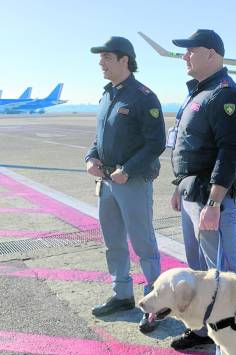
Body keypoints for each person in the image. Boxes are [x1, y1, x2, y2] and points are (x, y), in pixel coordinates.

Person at [167, 29, 236, 349]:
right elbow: (188, 148)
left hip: (212, 199)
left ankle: (234, 343)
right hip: (192, 194)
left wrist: (214, 202)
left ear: (212, 54)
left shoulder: (224, 94)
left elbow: (230, 152)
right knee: (199, 272)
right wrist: (178, 188)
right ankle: (203, 330)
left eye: (191, 50)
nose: (185, 56)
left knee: (225, 276)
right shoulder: (198, 92)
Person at [85, 36, 166, 333]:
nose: (101, 63)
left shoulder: (143, 96)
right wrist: (90, 157)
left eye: (107, 57)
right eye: (100, 57)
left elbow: (156, 143)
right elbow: (99, 136)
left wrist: (128, 170)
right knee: (113, 243)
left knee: (144, 244)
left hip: (132, 182)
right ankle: (122, 295)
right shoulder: (107, 95)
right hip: (106, 183)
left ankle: (154, 303)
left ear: (125, 60)